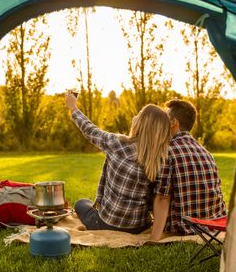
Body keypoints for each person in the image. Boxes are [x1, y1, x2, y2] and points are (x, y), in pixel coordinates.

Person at [65, 91, 171, 234]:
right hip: (140, 226)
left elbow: (89, 129)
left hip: (108, 223)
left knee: (81, 203)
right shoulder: (161, 159)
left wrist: (73, 107)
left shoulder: (117, 143)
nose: (135, 116)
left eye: (139, 114)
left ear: (141, 123)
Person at [150, 99, 227, 241]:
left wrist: (153, 239)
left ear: (174, 123)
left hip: (184, 226)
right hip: (212, 223)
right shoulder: (206, 152)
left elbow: (163, 199)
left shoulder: (168, 152)